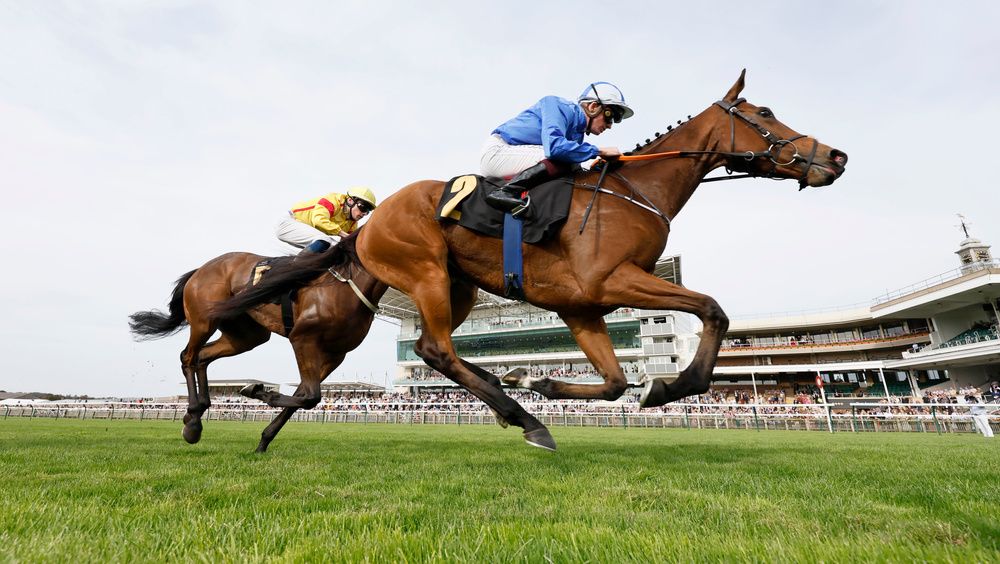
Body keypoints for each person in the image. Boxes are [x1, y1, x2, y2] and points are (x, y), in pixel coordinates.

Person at [480, 82, 635, 215]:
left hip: (513, 156)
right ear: (593, 106)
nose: (609, 125)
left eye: (615, 120)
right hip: (499, 152)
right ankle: (504, 192)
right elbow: (555, 148)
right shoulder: (557, 105)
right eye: (609, 116)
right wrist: (598, 151)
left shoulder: (576, 135)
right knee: (564, 161)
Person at [275, 186, 378, 254]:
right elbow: (319, 220)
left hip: (307, 232)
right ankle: (294, 268)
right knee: (325, 240)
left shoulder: (352, 223)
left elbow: (347, 245)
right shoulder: (332, 200)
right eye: (363, 207)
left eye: (368, 211)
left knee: (335, 249)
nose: (364, 213)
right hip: (289, 223)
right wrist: (342, 233)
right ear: (350, 200)